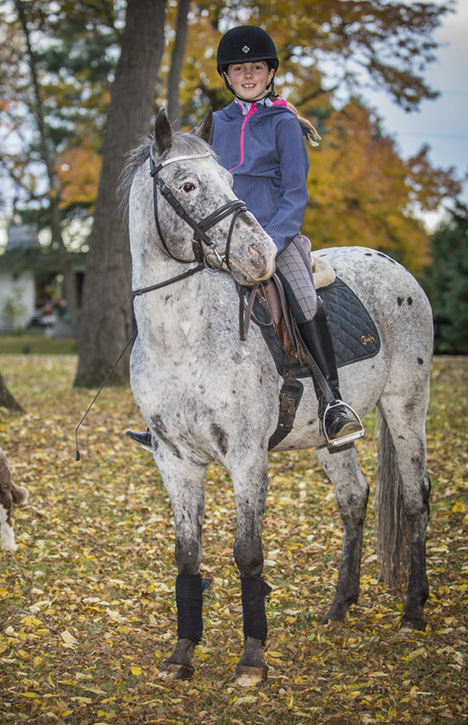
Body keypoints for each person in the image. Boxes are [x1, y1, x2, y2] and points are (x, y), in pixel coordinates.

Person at [127, 25, 364, 451]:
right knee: (167, 296)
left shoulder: (284, 123)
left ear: (270, 73)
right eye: (239, 69)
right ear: (227, 76)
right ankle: (165, 415)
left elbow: (295, 194)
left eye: (256, 67)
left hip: (275, 235)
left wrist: (272, 241)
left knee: (305, 298)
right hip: (221, 238)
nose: (248, 75)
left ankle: (333, 402)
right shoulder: (215, 124)